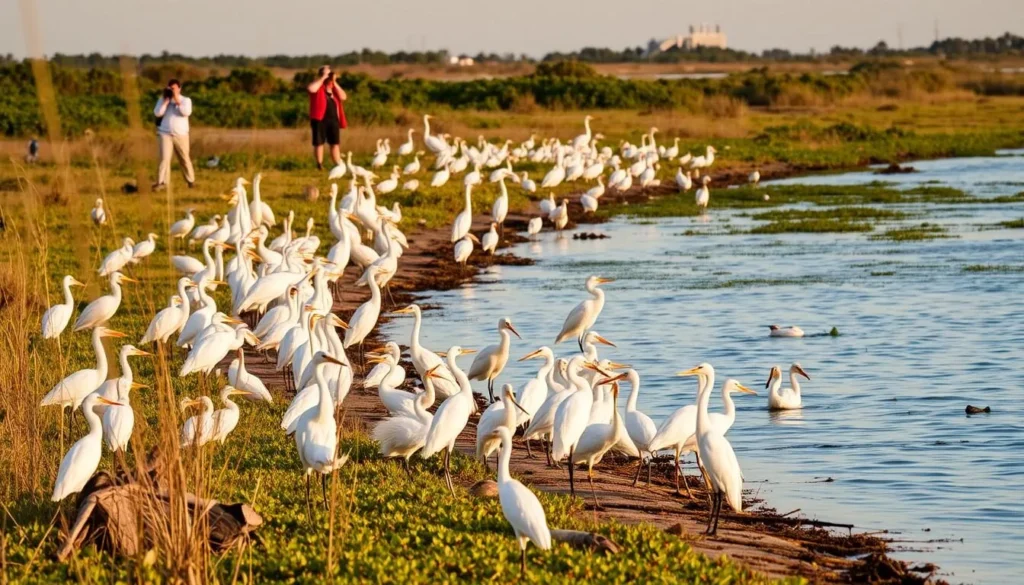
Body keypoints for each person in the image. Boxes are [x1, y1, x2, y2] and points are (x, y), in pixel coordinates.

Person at [153, 79, 195, 190]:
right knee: (164, 159)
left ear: (179, 89)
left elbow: (186, 112)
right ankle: (162, 182)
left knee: (184, 158)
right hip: (165, 133)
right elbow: (157, 113)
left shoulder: (186, 100)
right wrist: (166, 101)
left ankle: (190, 180)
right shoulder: (162, 99)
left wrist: (176, 100)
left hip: (181, 134)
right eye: (169, 88)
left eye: (173, 89)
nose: (171, 90)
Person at [307, 65, 348, 170]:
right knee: (319, 143)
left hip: (333, 119)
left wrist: (335, 82)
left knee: (335, 143)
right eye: (326, 73)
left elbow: (344, 97)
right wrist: (322, 78)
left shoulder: (333, 88)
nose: (328, 76)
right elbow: (311, 89)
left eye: (329, 73)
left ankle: (338, 164)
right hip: (319, 119)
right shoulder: (318, 86)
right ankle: (319, 164)